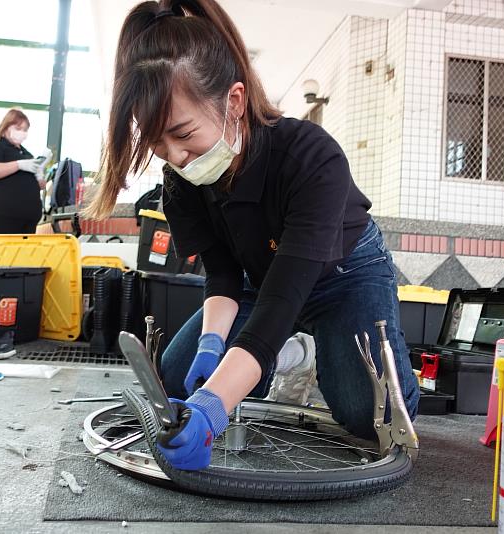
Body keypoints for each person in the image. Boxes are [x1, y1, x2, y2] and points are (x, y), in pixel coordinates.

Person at [86, 0, 419, 472]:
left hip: (343, 273)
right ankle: (282, 358)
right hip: (257, 280)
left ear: (234, 101)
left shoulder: (310, 157)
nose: (177, 157)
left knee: (368, 416)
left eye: (183, 133)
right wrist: (210, 345)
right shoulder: (182, 180)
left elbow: (283, 300)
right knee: (179, 381)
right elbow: (223, 275)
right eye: (159, 143)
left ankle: (306, 353)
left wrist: (214, 407)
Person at [0, 109, 47, 234]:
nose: (22, 133)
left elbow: (39, 186)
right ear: (6, 127)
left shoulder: (27, 155)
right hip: (0, 216)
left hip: (28, 218)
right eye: (18, 128)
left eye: (25, 130)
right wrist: (18, 165)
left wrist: (39, 174)